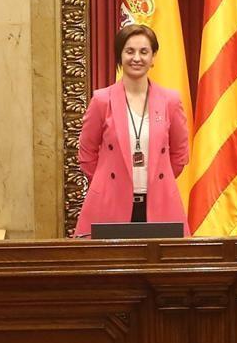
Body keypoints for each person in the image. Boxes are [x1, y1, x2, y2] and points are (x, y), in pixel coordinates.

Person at [77, 24, 190, 237]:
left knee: (162, 268)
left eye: (144, 52)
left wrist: (157, 178)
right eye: (129, 51)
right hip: (111, 202)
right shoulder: (102, 100)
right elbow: (86, 154)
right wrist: (111, 181)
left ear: (153, 57)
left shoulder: (171, 101)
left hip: (159, 203)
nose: (136, 58)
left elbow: (179, 155)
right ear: (120, 55)